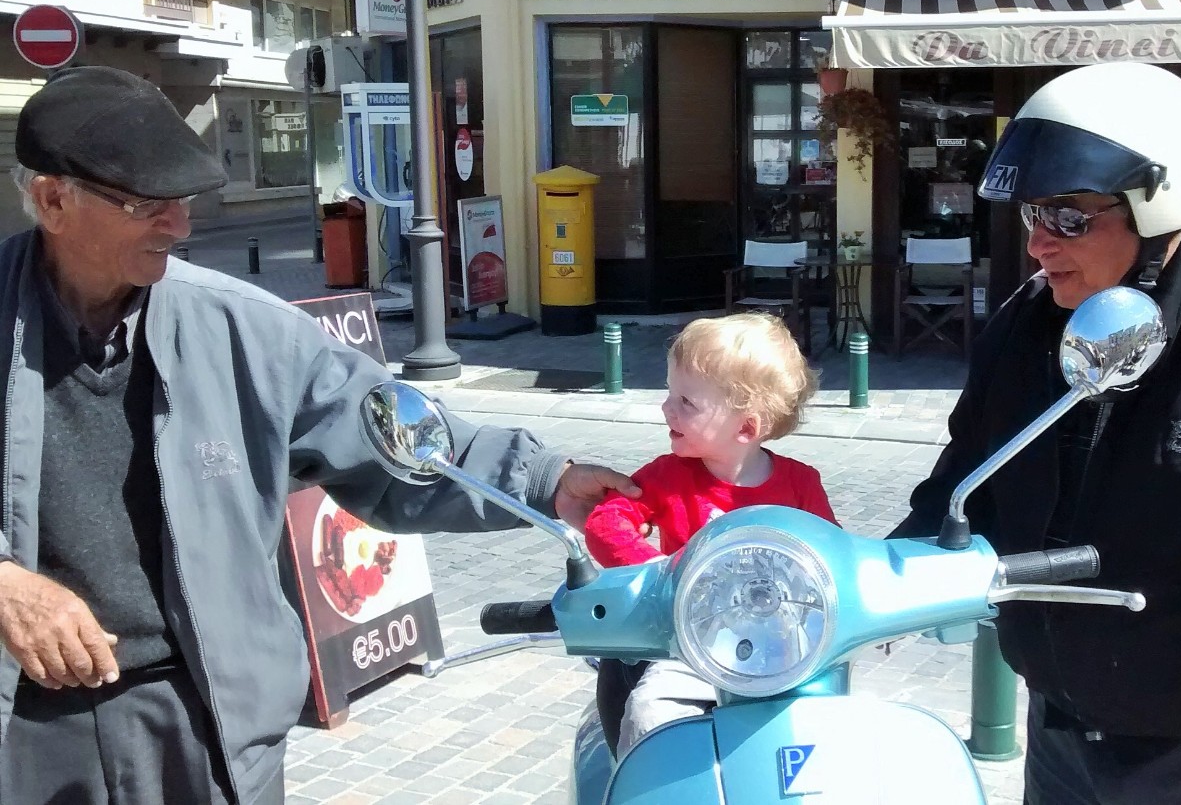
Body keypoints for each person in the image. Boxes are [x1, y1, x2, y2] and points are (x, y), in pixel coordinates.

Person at [0, 65, 638, 805]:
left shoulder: (246, 330)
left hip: (208, 720)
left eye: (182, 201)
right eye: (149, 205)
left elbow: (394, 435)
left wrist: (546, 481)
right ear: (52, 200)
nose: (179, 226)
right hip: (24, 733)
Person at [892, 62, 1181, 805]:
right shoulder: (1025, 328)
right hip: (1058, 728)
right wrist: (880, 575)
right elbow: (965, 478)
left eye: (1069, 218)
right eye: (1034, 216)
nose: (1039, 244)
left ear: (1158, 209)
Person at [584, 313, 836, 756]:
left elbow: (834, 557)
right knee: (650, 714)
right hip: (692, 646)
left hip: (783, 650)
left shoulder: (801, 484)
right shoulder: (667, 476)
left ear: (746, 428)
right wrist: (657, 572)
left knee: (829, 728)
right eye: (670, 394)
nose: (666, 408)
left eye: (686, 401)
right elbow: (607, 522)